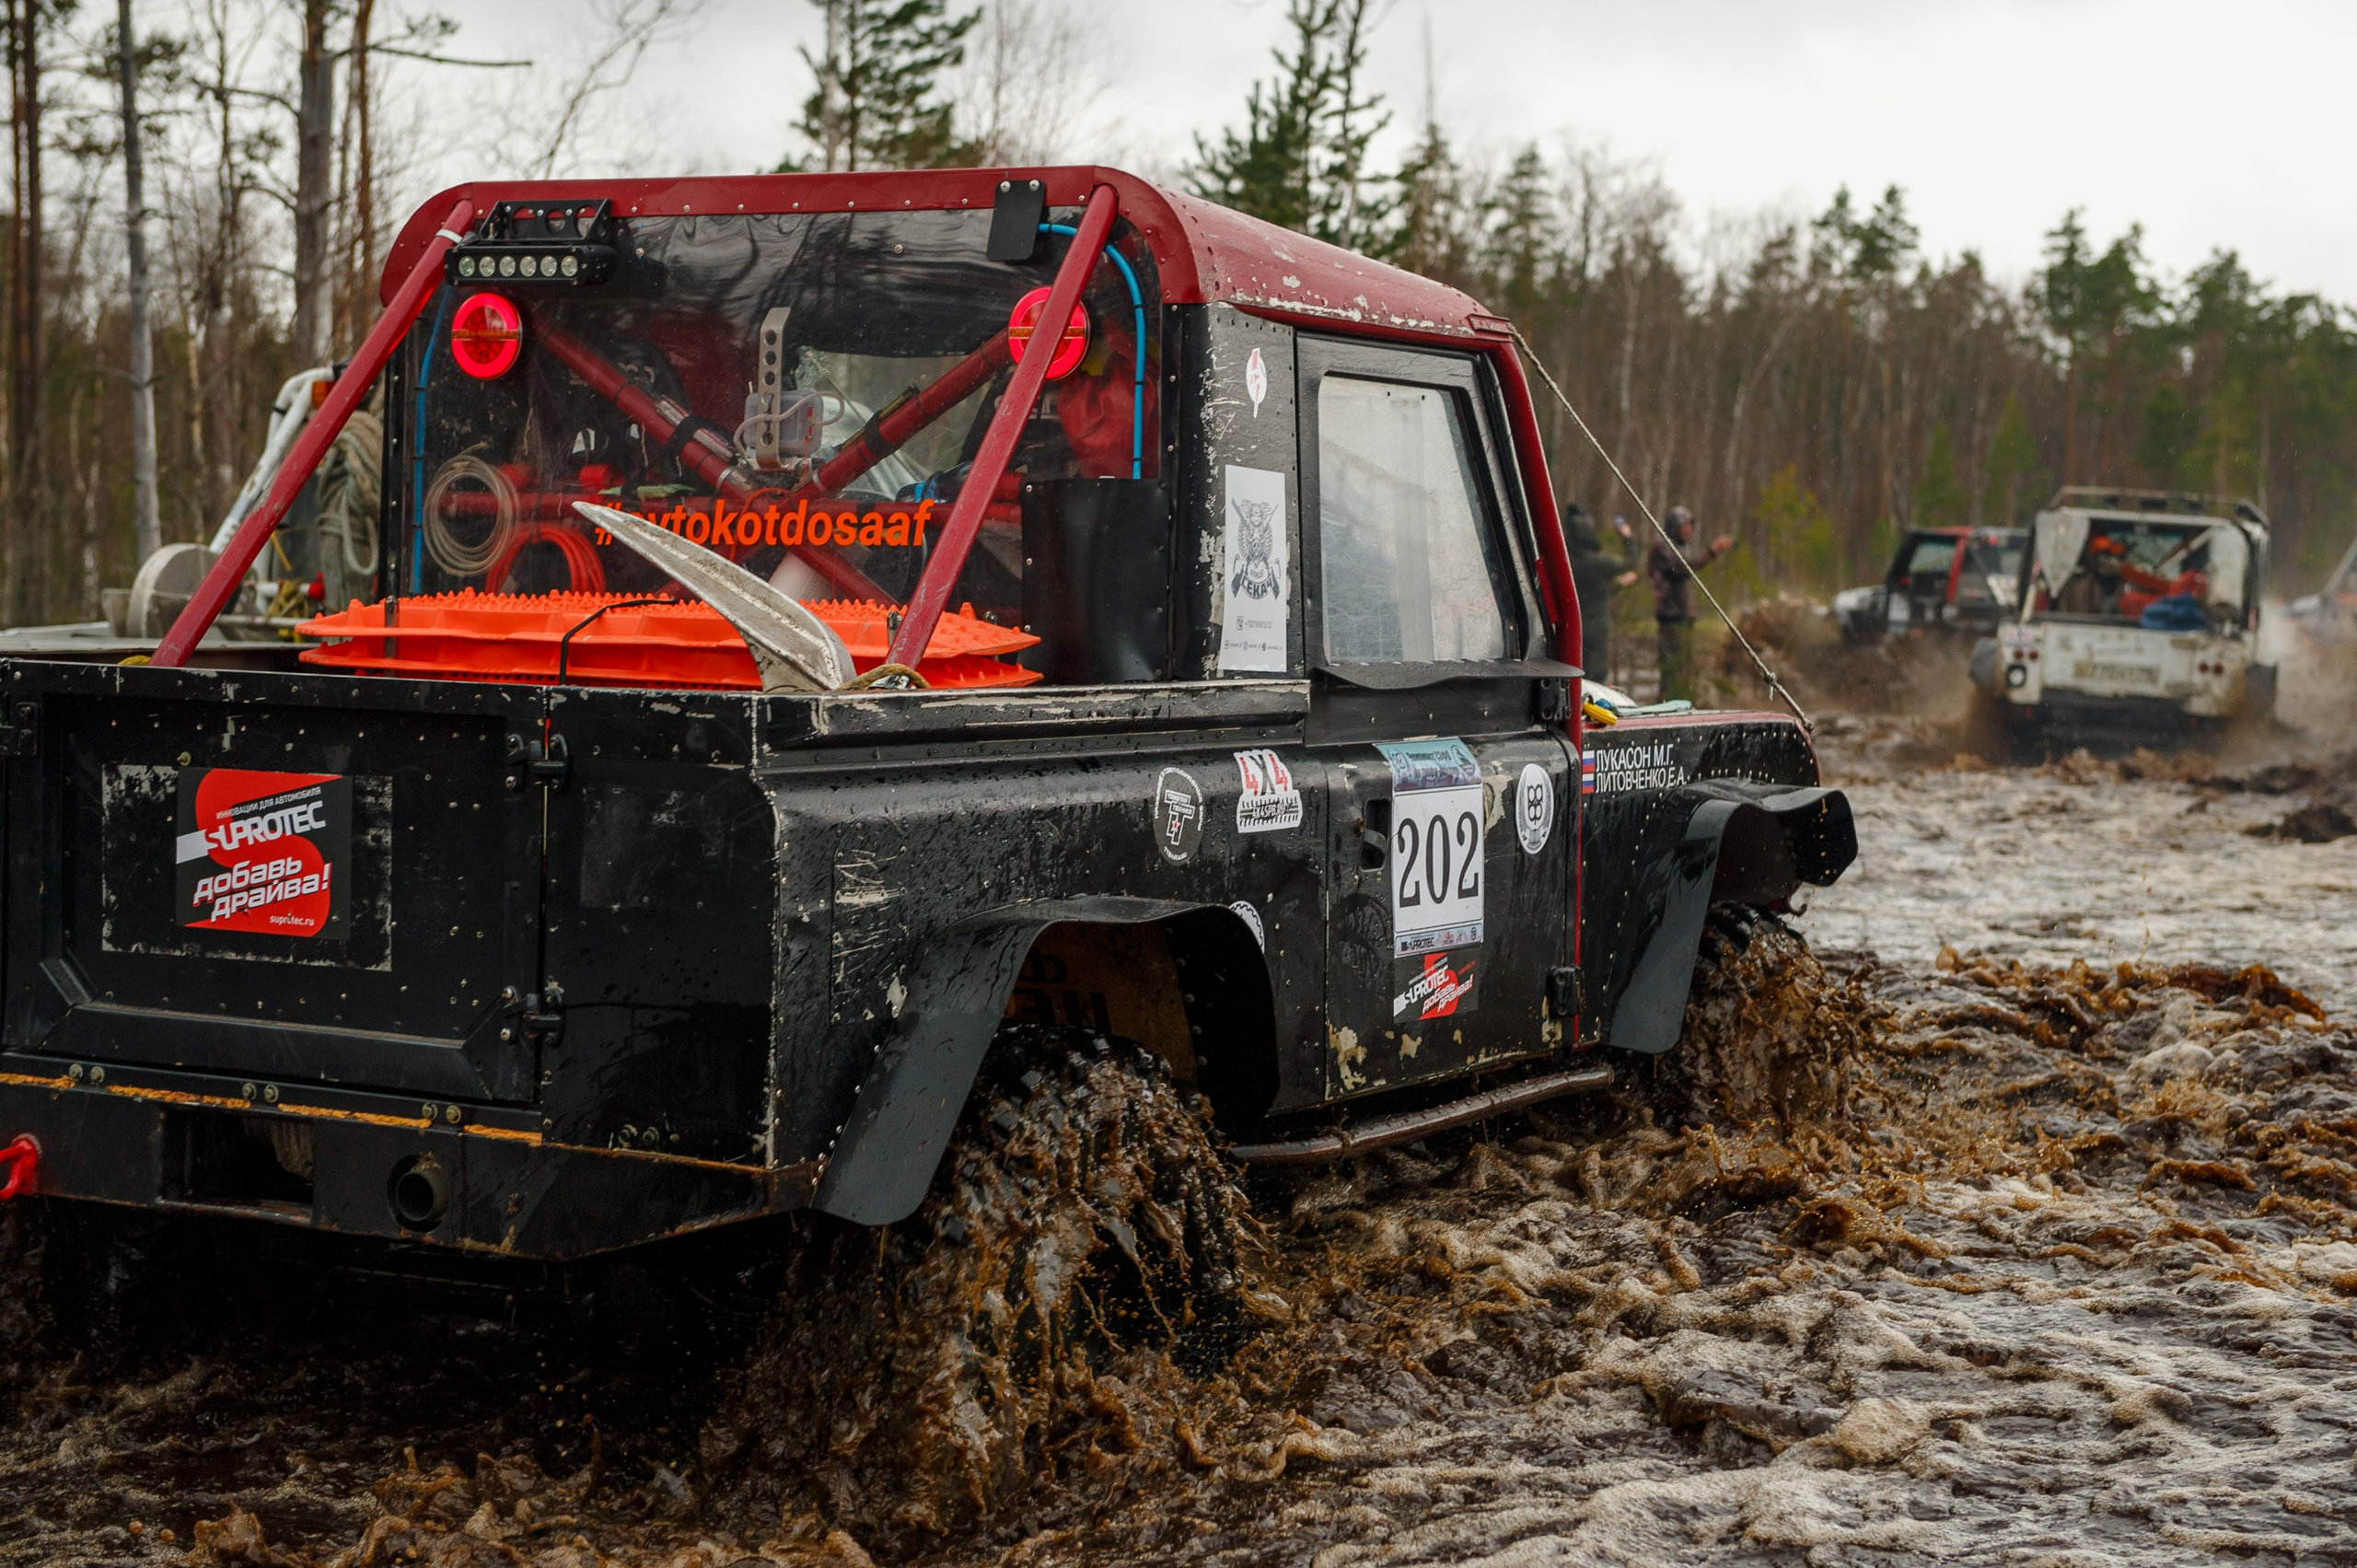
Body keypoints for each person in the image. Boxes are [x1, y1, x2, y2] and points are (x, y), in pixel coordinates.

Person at [1646, 505, 1735, 703]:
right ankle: (1667, 703)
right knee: (1672, 668)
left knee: (1684, 667)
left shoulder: (1679, 548)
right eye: (1685, 526)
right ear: (1674, 526)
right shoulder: (1662, 547)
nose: (1689, 530)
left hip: (1683, 618)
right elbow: (1681, 569)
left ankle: (1682, 701)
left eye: (1690, 526)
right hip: (1671, 618)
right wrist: (1711, 552)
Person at [1563, 503, 1638, 684]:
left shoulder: (1565, 563)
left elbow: (1586, 591)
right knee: (1595, 680)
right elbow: (1630, 561)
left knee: (1571, 678)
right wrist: (1628, 537)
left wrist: (1618, 584)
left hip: (1570, 630)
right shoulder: (1599, 563)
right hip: (1595, 631)